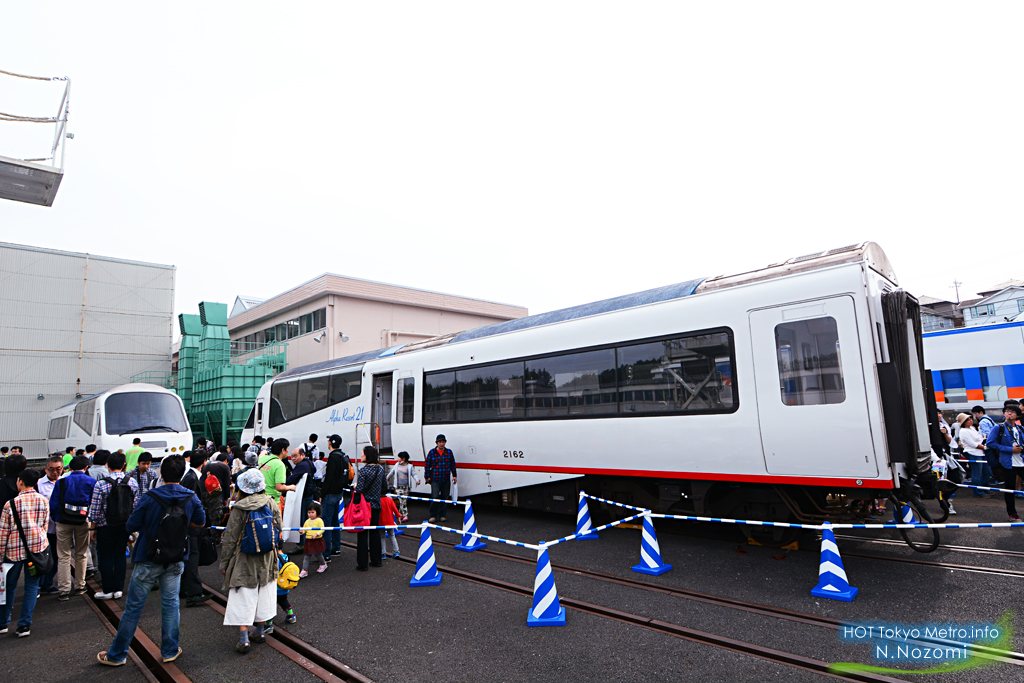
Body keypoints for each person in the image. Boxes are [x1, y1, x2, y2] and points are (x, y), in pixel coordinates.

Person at [97, 455, 205, 666]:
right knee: (171, 604)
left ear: (161, 473)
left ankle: (117, 655)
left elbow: (132, 525)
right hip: (175, 558)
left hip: (148, 557)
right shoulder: (191, 496)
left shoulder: (150, 496)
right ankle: (170, 650)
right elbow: (200, 522)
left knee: (133, 608)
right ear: (182, 474)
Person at [219, 468, 282, 654]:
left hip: (244, 558)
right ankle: (260, 632)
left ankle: (244, 639)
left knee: (243, 596)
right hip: (268, 557)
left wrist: (224, 563)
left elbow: (230, 538)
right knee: (265, 591)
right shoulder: (271, 502)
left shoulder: (239, 507)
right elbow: (279, 527)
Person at [0, 470, 51, 637]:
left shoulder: (11, 504)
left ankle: (3, 623)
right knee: (31, 587)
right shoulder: (43, 501)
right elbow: (44, 526)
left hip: (13, 551)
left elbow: (3, 533)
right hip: (36, 551)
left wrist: (0, 556)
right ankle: (24, 626)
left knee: (8, 586)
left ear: (20, 482)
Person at [88, 451, 139, 600]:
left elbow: (95, 509)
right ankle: (118, 589)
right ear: (124, 465)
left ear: (107, 465)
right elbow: (135, 506)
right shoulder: (132, 482)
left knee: (105, 557)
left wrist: (93, 527)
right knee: (120, 556)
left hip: (105, 526)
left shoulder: (101, 484)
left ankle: (107, 589)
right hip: (124, 525)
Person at [52, 454, 95, 600]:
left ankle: (64, 589)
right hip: (83, 521)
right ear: (86, 467)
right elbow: (94, 504)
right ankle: (80, 586)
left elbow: (54, 503)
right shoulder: (92, 482)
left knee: (63, 555)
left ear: (69, 467)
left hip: (63, 521)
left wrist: (56, 518)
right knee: (81, 553)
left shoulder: (61, 482)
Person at [179, 451, 212, 606]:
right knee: (192, 557)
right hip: (192, 526)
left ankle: (186, 588)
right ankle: (193, 592)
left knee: (190, 557)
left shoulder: (188, 477)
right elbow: (193, 504)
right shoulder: (193, 479)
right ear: (204, 462)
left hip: (188, 524)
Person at [987, 404, 1024, 522]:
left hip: (1021, 461)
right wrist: (1010, 449)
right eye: (1007, 411)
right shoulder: (999, 428)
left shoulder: (1020, 428)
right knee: (1010, 488)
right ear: (1004, 413)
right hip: (1008, 463)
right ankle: (1012, 513)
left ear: (1018, 415)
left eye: (1013, 412)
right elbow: (990, 443)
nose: (1010, 413)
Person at [36, 455, 64, 595]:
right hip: (43, 529)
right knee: (42, 557)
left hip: (59, 528)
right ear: (46, 469)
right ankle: (39, 584)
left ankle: (48, 583)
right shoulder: (39, 484)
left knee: (56, 556)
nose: (55, 472)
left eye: (58, 469)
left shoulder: (65, 481)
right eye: (51, 469)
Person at [355, 446, 385, 571]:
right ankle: (376, 560)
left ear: (367, 456)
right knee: (374, 532)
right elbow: (385, 487)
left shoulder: (363, 471)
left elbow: (359, 490)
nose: (361, 456)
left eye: (362, 454)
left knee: (362, 534)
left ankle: (363, 564)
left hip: (364, 507)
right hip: (376, 505)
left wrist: (355, 487)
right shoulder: (380, 469)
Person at [321, 435, 350, 559]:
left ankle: (326, 553)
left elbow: (329, 478)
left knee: (326, 523)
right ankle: (336, 548)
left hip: (330, 494)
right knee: (335, 521)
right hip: (339, 493)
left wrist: (322, 494)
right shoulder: (343, 455)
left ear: (330, 443)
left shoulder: (333, 457)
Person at [263, 551, 298, 634]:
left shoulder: (274, 559)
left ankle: (269, 625)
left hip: (275, 588)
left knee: (270, 606)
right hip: (285, 586)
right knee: (284, 601)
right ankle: (291, 616)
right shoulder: (286, 557)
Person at [424, 435, 457, 522]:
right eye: (440, 442)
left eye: (443, 442)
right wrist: (426, 476)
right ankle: (433, 515)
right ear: (437, 443)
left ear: (445, 442)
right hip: (435, 479)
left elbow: (452, 464)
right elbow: (427, 465)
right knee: (435, 497)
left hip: (446, 478)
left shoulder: (449, 452)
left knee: (444, 498)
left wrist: (454, 475)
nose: (441, 444)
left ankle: (442, 515)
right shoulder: (432, 452)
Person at [258, 439, 294, 514]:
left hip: (259, 499)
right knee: (275, 524)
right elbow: (279, 487)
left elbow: (261, 455)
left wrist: (264, 452)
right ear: (283, 450)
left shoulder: (262, 459)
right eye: (287, 449)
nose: (288, 451)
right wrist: (291, 487)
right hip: (273, 502)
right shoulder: (279, 465)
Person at [958, 413, 990, 496]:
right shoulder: (963, 431)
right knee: (977, 473)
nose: (971, 420)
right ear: (963, 422)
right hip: (973, 453)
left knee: (987, 472)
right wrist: (984, 447)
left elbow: (979, 439)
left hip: (981, 452)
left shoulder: (972, 428)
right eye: (968, 419)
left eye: (971, 418)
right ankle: (978, 492)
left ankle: (985, 488)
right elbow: (972, 444)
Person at [387, 451, 420, 522]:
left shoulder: (409, 466)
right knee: (402, 501)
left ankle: (401, 514)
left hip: (406, 487)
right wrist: (387, 477)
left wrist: (417, 480)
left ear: (403, 458)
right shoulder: (397, 465)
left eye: (399, 457)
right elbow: (392, 472)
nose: (398, 458)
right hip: (398, 486)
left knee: (403, 500)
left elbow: (414, 474)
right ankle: (405, 515)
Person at [287, 446, 316, 517]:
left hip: (304, 495)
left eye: (295, 456)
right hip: (309, 493)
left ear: (302, 455)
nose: (293, 458)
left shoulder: (302, 465)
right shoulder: (309, 462)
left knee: (302, 517)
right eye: (292, 456)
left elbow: (291, 480)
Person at [299, 502, 327, 576]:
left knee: (318, 554)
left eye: (312, 512)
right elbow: (305, 530)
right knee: (307, 555)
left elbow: (322, 529)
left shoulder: (319, 520)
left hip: (317, 540)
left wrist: (316, 534)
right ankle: (304, 570)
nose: (310, 514)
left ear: (317, 512)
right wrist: (301, 531)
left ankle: (323, 564)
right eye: (309, 512)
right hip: (308, 541)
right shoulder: (307, 521)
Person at [379, 492, 401, 560]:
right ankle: (396, 551)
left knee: (382, 537)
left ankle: (383, 553)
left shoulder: (378, 500)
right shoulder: (390, 500)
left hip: (381, 522)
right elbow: (395, 509)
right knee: (392, 536)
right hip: (390, 522)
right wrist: (398, 517)